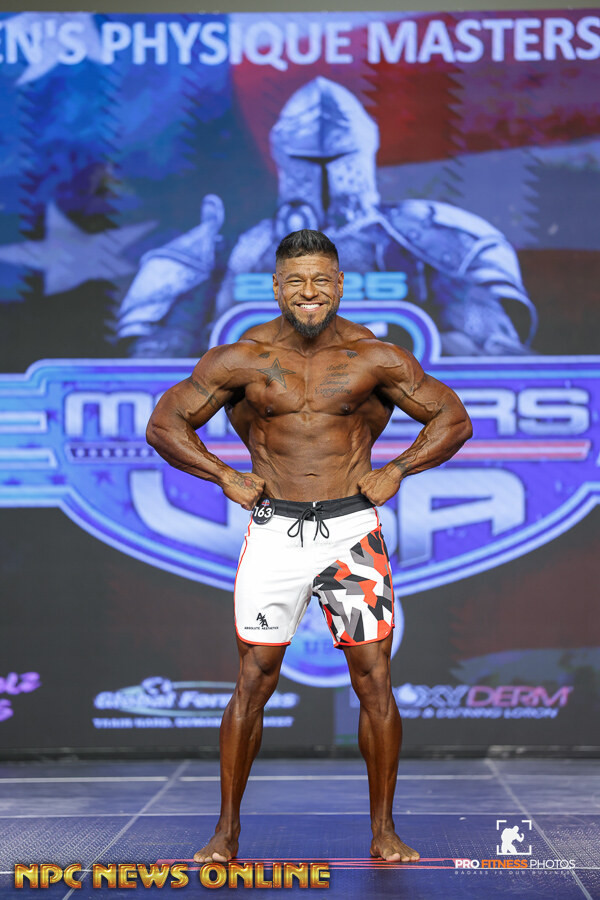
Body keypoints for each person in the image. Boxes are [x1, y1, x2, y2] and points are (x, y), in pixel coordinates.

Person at [146, 228, 472, 863]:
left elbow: (453, 418)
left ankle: (384, 831)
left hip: (351, 533)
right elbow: (165, 423)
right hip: (275, 531)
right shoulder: (241, 358)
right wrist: (223, 475)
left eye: (321, 280)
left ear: (340, 284)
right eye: (296, 281)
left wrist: (398, 468)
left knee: (374, 678)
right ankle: (226, 833)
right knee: (253, 677)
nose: (309, 291)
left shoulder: (373, 356)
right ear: (275, 287)